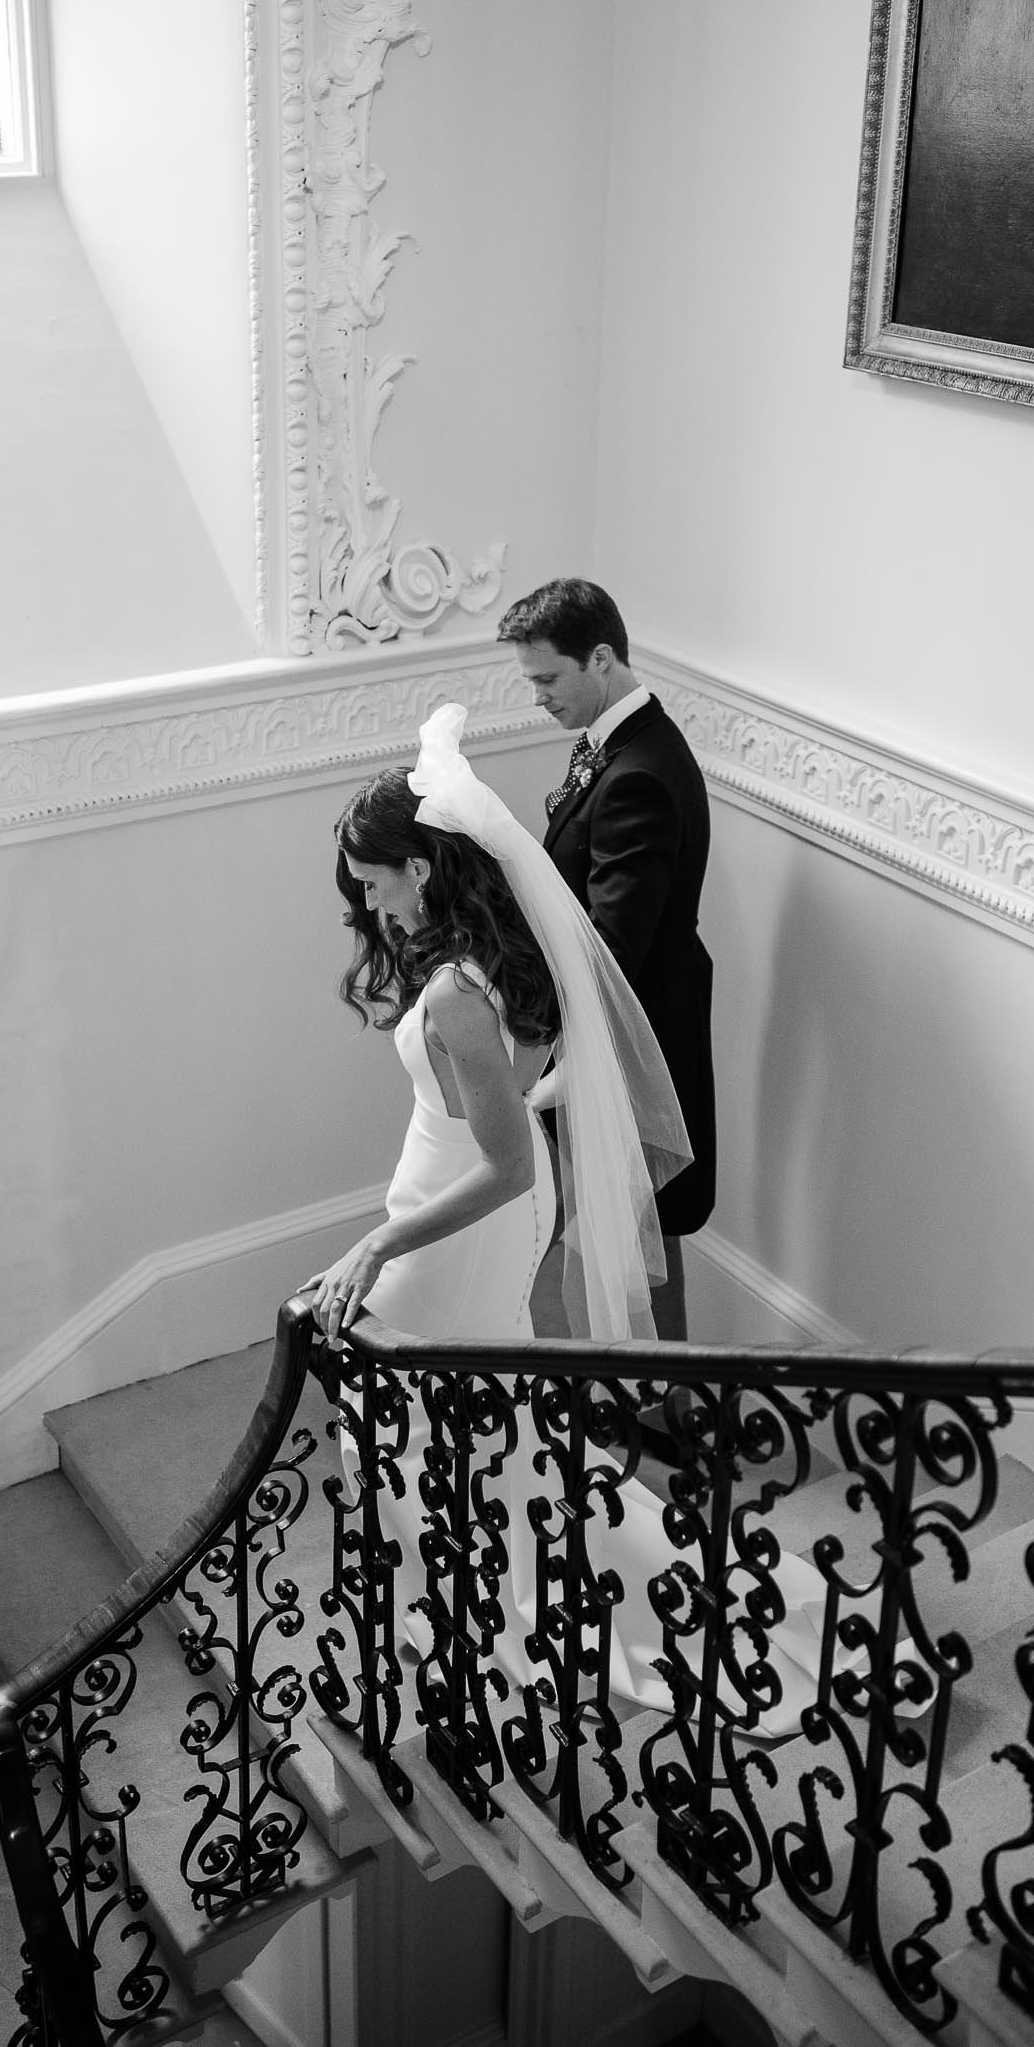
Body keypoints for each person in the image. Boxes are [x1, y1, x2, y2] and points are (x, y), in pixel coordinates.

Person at [297, 705, 848, 1733]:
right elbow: (519, 1100)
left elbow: (505, 1167)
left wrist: (377, 1239)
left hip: (458, 1219)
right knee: (459, 1413)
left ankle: (473, 1606)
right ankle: (465, 1592)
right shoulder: (483, 955)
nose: (366, 906)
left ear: (419, 868)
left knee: (402, 1405)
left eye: (372, 882)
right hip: (456, 1201)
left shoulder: (460, 990)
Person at [497, 580, 716, 1340]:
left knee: (636, 1217)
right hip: (619, 1021)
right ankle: (651, 1399)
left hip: (633, 1035)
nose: (538, 698)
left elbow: (611, 947)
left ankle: (665, 1410)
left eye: (547, 680)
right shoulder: (617, 743)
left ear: (601, 658)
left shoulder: (641, 777)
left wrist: (560, 1052)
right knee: (622, 1221)